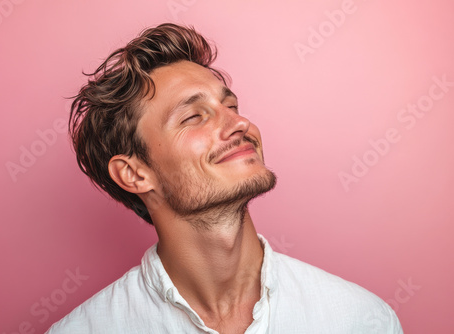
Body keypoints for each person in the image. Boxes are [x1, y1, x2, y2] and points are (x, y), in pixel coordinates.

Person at [46, 23, 402, 333]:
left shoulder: (360, 320)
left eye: (230, 106)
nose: (240, 124)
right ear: (135, 173)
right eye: (193, 117)